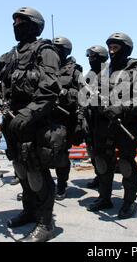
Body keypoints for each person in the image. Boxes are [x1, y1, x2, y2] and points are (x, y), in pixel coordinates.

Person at [0, 7, 61, 242]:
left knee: (37, 173)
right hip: (13, 123)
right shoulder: (11, 54)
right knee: (21, 169)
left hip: (36, 121)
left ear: (34, 25)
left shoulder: (45, 51)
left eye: (21, 21)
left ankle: (46, 223)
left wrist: (28, 114)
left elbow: (50, 89)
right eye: (14, 21)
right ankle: (29, 211)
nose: (16, 25)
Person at [87, 33, 137, 219]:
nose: (112, 51)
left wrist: (121, 108)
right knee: (103, 163)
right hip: (103, 127)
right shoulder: (104, 71)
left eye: (116, 47)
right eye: (110, 47)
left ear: (126, 48)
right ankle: (104, 198)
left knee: (126, 164)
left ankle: (129, 202)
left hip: (125, 126)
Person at [52, 36, 84, 201]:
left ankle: (62, 186)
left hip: (64, 119)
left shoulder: (75, 71)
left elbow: (84, 94)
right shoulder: (46, 67)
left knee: (61, 154)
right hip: (45, 117)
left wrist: (67, 94)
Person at [84, 45, 109, 189]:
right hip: (90, 117)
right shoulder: (90, 74)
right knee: (91, 149)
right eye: (90, 57)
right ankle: (98, 175)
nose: (91, 60)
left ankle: (105, 179)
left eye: (93, 57)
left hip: (103, 119)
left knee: (103, 152)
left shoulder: (108, 73)